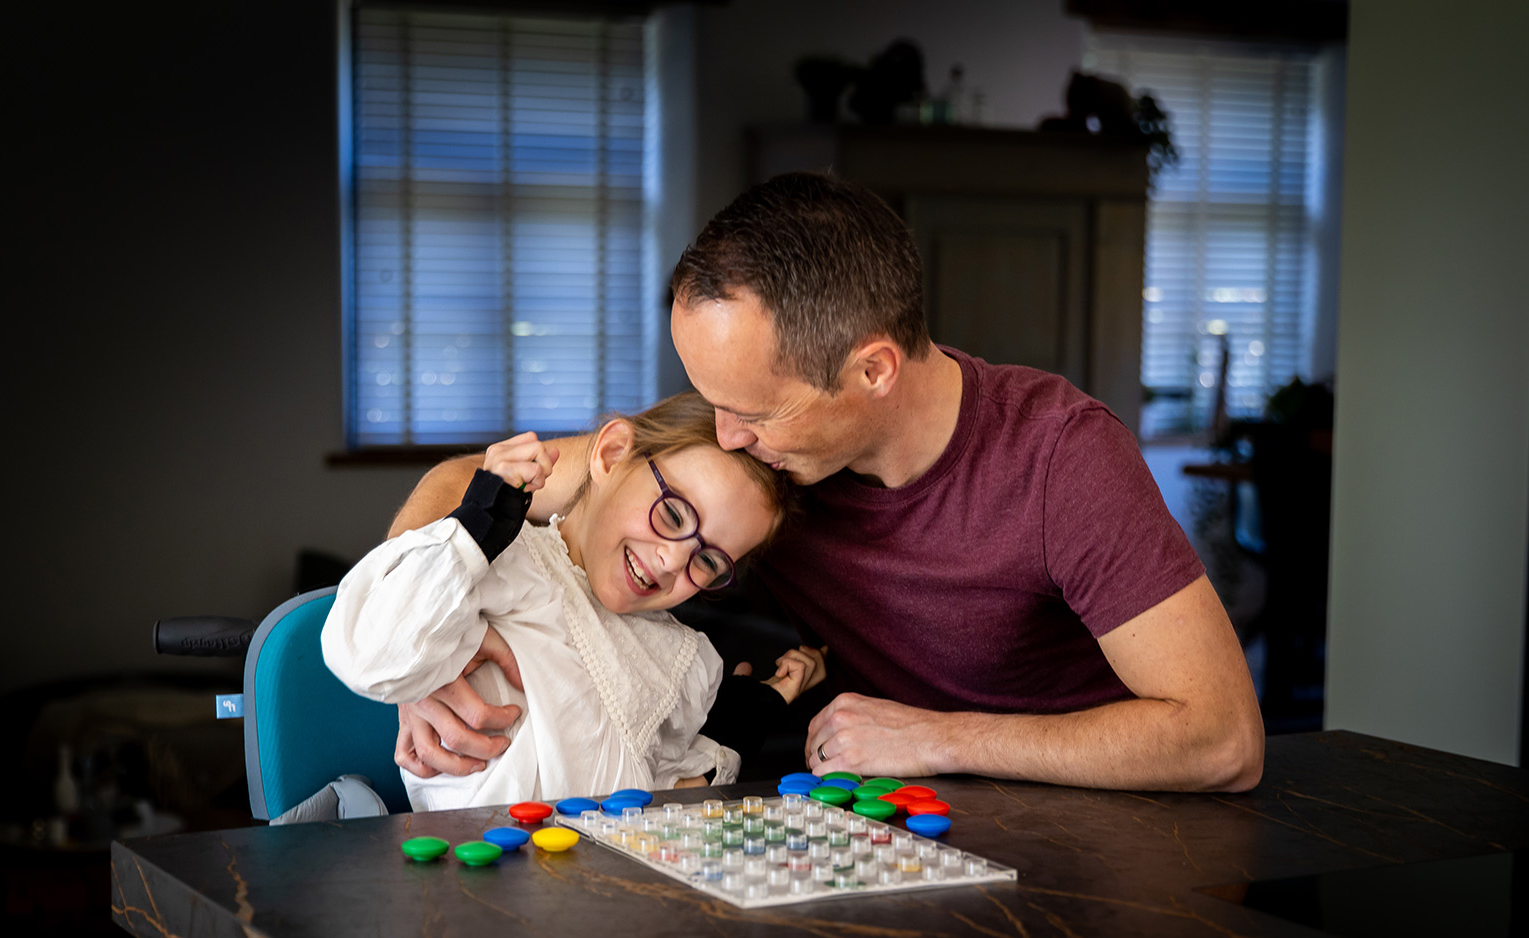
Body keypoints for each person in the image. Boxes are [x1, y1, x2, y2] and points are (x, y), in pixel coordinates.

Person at [388, 172, 1263, 793]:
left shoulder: (1062, 459)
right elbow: (467, 479)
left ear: (873, 371)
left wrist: (940, 737)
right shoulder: (754, 466)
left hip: (1100, 827)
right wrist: (423, 649)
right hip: (884, 811)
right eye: (711, 398)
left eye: (754, 411)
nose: (728, 438)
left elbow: (1222, 738)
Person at [321, 391, 821, 810]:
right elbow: (367, 652)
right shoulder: (500, 563)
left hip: (601, 900)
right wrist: (475, 525)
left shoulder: (679, 657)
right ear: (610, 456)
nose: (671, 562)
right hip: (481, 879)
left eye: (708, 562)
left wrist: (735, 730)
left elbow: (660, 804)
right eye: (672, 516)